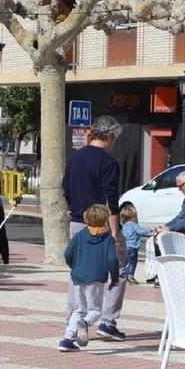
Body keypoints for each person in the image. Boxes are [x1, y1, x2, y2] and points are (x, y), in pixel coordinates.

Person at [61, 115, 127, 341]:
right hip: (100, 226)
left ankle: (72, 317)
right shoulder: (108, 162)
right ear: (109, 136)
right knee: (119, 269)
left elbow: (66, 188)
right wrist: (116, 233)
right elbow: (111, 198)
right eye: (115, 139)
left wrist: (74, 209)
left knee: (77, 272)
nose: (115, 143)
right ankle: (107, 321)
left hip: (78, 221)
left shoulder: (74, 158)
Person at [58, 204, 120, 352]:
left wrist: (74, 266)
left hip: (77, 277)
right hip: (96, 278)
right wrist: (115, 278)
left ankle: (67, 340)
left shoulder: (80, 235)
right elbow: (112, 260)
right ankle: (85, 323)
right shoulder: (107, 240)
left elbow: (68, 253)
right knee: (95, 310)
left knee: (78, 310)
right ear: (105, 222)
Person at [120, 204, 153, 285]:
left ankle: (124, 275)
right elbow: (141, 231)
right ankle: (131, 276)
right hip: (133, 247)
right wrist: (151, 229)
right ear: (133, 216)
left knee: (126, 262)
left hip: (125, 246)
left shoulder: (124, 226)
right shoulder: (134, 225)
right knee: (133, 262)